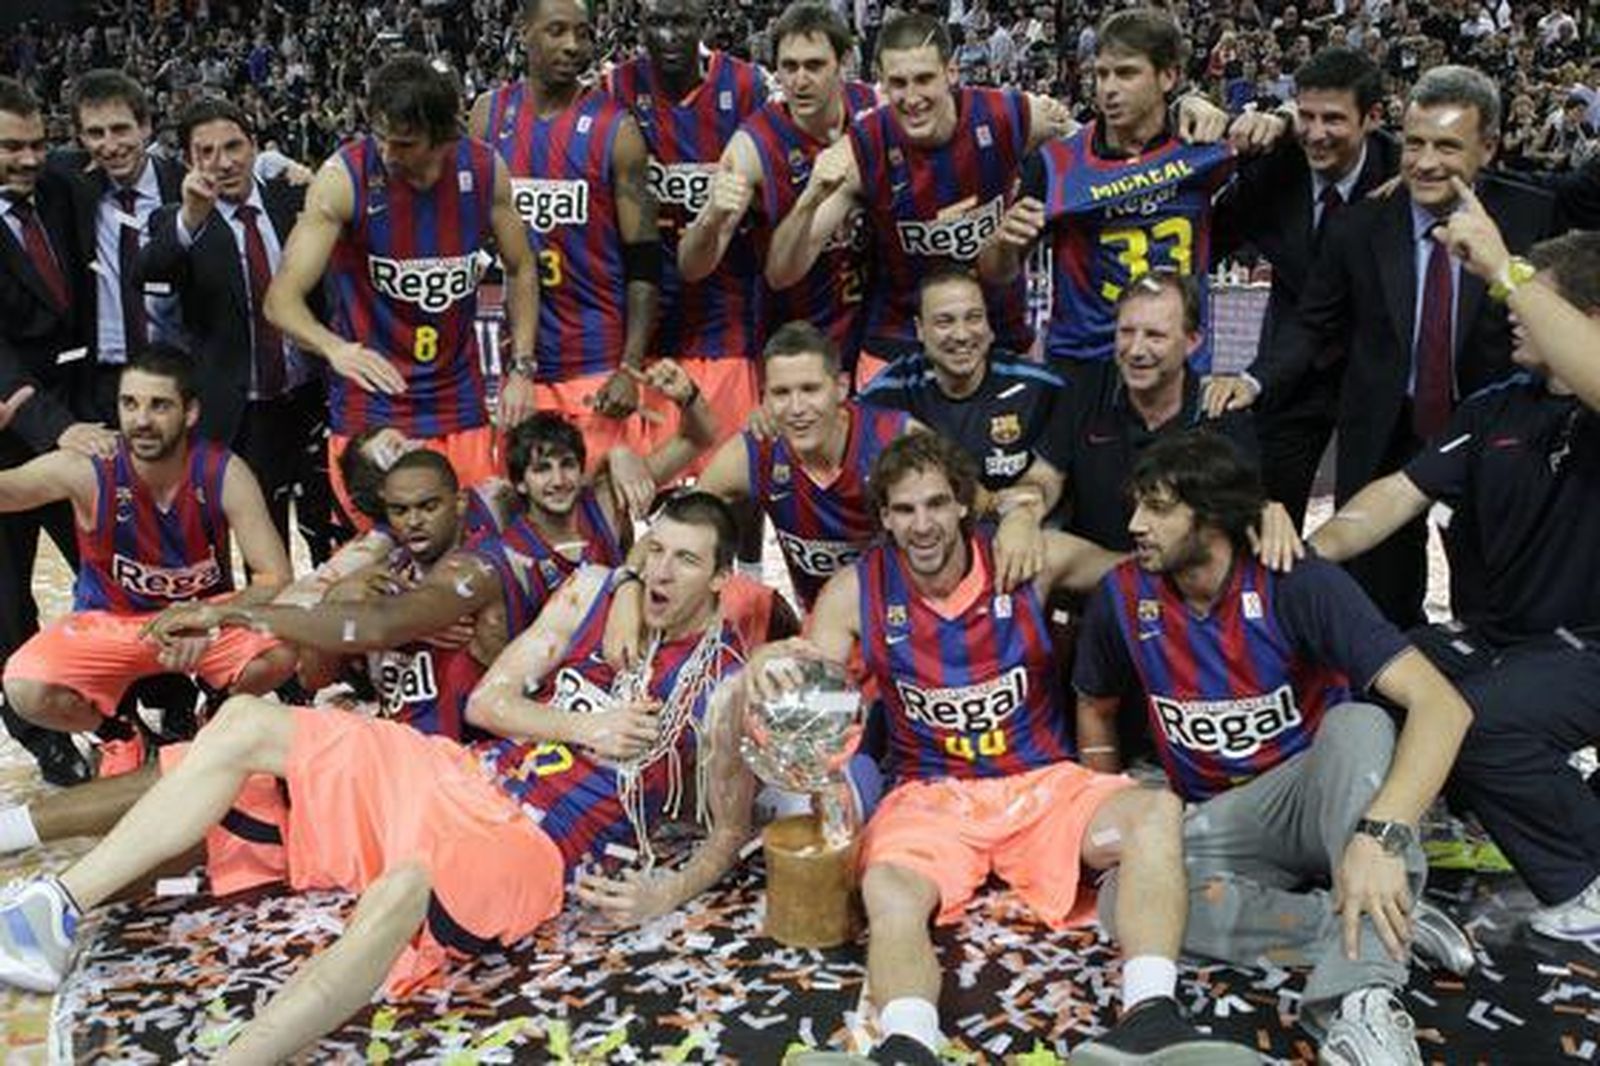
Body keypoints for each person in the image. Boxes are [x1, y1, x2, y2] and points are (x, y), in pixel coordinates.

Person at [0, 495, 758, 1064]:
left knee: (401, 890)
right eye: (654, 551)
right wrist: (583, 725)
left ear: (723, 578)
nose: (660, 570)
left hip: (533, 843)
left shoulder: (728, 685)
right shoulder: (596, 589)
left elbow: (729, 830)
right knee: (242, 724)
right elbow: (491, 703)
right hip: (462, 770)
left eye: (685, 560)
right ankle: (57, 908)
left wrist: (667, 892)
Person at [756, 432, 1255, 1065]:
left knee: (1155, 813)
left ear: (965, 505)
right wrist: (770, 664)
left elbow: (1143, 569)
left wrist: (1244, 525)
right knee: (887, 888)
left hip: (1041, 783)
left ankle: (1151, 1019)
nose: (923, 525)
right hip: (931, 795)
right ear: (883, 516)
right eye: (904, 510)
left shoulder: (1029, 559)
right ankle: (908, 1044)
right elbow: (813, 695)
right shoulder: (856, 591)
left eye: (937, 504)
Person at [1074, 431, 1477, 1066]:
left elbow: (1442, 707)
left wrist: (1382, 834)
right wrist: (1101, 801)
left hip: (1322, 797)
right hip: (1230, 818)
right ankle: (1379, 922)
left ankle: (1361, 1005)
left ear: (1209, 516)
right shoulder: (1123, 597)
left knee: (1360, 725)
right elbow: (1095, 707)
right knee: (1124, 897)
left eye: (1155, 508)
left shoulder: (1296, 580)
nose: (1134, 525)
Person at [1309, 189, 1600, 943]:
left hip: (1586, 647)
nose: (1511, 306)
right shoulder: (1498, 405)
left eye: (1538, 297)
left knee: (1481, 724)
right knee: (1368, 676)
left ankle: (1588, 875)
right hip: (1494, 637)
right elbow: (1395, 497)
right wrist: (1309, 556)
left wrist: (1505, 265)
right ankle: (1418, 836)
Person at [1210, 65, 1560, 627]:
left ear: (1489, 148)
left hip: (1494, 431)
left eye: (1448, 146)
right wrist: (1252, 380)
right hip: (1381, 429)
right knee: (1377, 596)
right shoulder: (1361, 223)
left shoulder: (1532, 215)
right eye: (1416, 144)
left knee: (1492, 590)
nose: (1425, 162)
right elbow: (1312, 323)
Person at [263, 53, 539, 525]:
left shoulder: (485, 169)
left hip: (460, 402)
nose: (388, 153)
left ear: (444, 137)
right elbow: (280, 300)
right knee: (382, 564)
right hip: (371, 410)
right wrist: (335, 348)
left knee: (472, 552)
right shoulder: (342, 179)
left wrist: (522, 368)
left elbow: (523, 267)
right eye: (381, 138)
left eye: (405, 143)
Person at [0, 348, 295, 772]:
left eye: (159, 405)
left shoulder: (224, 472)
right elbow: (8, 493)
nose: (141, 419)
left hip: (198, 620)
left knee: (284, 651)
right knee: (24, 688)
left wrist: (209, 615)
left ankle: (215, 714)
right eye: (130, 404)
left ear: (190, 412)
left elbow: (274, 574)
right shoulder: (87, 469)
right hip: (111, 623)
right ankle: (117, 733)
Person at [764, 11, 1082, 384]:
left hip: (996, 327)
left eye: (924, 79)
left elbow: (1092, 154)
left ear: (951, 72)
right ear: (880, 82)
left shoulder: (1008, 115)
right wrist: (810, 198)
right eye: (898, 83)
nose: (912, 98)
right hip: (900, 336)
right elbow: (781, 273)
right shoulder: (862, 149)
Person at [976, 7, 1275, 374]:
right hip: (1084, 368)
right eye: (1101, 74)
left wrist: (1277, 118)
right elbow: (997, 272)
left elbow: (1287, 137)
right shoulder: (1056, 164)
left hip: (1177, 367)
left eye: (1126, 73)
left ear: (1168, 76)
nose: (1109, 89)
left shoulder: (1204, 142)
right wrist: (1004, 244)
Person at [1207, 47, 1401, 529]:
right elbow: (1204, 241)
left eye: (1333, 119)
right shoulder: (1273, 168)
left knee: (1379, 535)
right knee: (1264, 516)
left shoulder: (1404, 175)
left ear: (1372, 117)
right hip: (1288, 371)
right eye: (1306, 116)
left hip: (1377, 373)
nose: (1316, 134)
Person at [137, 96, 333, 565]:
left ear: (254, 146)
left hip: (311, 399)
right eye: (206, 152)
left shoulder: (296, 200)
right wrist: (191, 217)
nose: (222, 162)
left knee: (330, 533)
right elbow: (147, 271)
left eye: (233, 146)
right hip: (242, 414)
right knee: (262, 548)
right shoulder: (176, 221)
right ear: (189, 161)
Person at [470, 0, 661, 461]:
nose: (573, 45)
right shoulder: (487, 116)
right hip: (507, 357)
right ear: (524, 32)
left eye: (583, 33)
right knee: (516, 514)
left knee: (596, 512)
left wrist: (630, 367)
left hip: (591, 355)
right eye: (556, 31)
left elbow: (645, 262)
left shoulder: (617, 130)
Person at [0, 77, 122, 786]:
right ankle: (41, 738)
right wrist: (60, 428)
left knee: (101, 577)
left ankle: (122, 714)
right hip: (20, 441)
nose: (28, 159)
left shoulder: (63, 188)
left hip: (74, 427)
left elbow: (145, 168)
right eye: (11, 147)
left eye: (39, 144)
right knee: (7, 603)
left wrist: (277, 169)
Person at [676, 1, 878, 371]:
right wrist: (710, 218)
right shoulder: (754, 145)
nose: (800, 81)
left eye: (814, 65)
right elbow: (690, 267)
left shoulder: (873, 110)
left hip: (874, 334)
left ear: (844, 62)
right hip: (797, 344)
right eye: (789, 66)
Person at [602, 0, 769, 446]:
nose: (668, 36)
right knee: (654, 485)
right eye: (656, 22)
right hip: (645, 316)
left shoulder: (749, 86)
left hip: (727, 313)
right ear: (638, 25)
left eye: (681, 22)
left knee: (726, 473)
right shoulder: (613, 86)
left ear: (705, 24)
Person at [1040, 272, 1262, 552]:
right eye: (1126, 332)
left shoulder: (1221, 410)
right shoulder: (1083, 392)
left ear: (1193, 341)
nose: (1135, 350)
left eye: (1155, 336)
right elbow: (1044, 476)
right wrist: (1024, 513)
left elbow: (1249, 510)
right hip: (1094, 579)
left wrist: (1270, 514)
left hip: (1182, 581)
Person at [44, 69, 185, 423]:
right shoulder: (68, 184)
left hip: (178, 373)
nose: (110, 144)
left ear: (146, 126)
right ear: (80, 139)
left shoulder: (184, 187)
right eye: (95, 133)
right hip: (100, 381)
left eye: (121, 128)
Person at [858, 265, 1065, 495]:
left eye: (974, 318)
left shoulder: (1041, 388)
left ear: (989, 325)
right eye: (944, 322)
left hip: (1020, 524)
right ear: (920, 329)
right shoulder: (888, 392)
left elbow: (1056, 474)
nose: (962, 335)